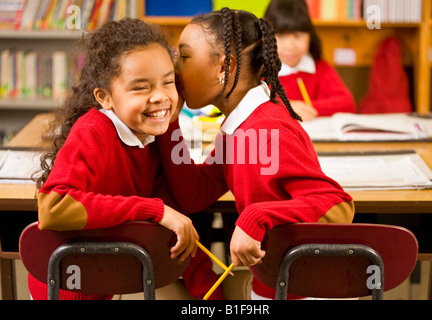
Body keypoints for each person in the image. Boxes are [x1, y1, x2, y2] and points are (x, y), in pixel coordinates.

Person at [158, 8, 355, 300]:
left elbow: (337, 207)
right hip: (274, 283)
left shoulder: (267, 128)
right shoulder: (238, 126)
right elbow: (194, 194)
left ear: (225, 66)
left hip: (304, 290)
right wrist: (169, 123)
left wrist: (257, 215)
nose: (175, 70)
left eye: (184, 57)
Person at [31, 18, 227, 300]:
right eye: (140, 87)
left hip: (105, 280)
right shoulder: (94, 130)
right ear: (105, 97)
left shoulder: (150, 136)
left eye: (168, 82)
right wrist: (153, 210)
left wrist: (213, 298)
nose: (159, 96)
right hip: (65, 289)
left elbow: (176, 219)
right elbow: (53, 207)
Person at [264, 0, 356, 121]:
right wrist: (287, 107)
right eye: (281, 36)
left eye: (297, 36)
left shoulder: (320, 69)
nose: (290, 46)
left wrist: (307, 108)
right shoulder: (260, 71)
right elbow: (251, 105)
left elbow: (348, 104)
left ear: (310, 37)